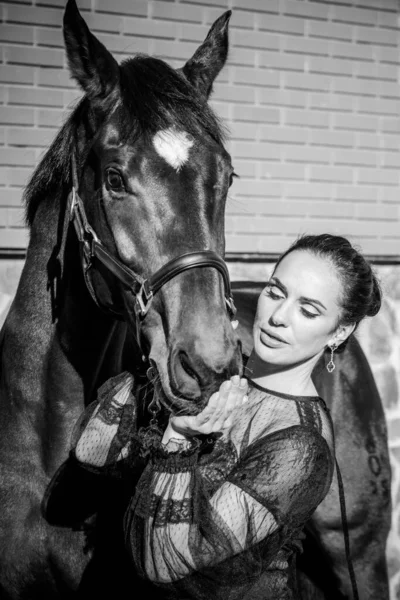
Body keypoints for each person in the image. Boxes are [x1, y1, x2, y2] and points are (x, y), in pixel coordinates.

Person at [49, 233, 381, 599]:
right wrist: (158, 364)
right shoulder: (208, 378)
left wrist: (178, 440)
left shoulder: (300, 446)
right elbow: (90, 455)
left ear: (340, 330)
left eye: (308, 310)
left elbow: (165, 562)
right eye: (275, 291)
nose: (278, 317)